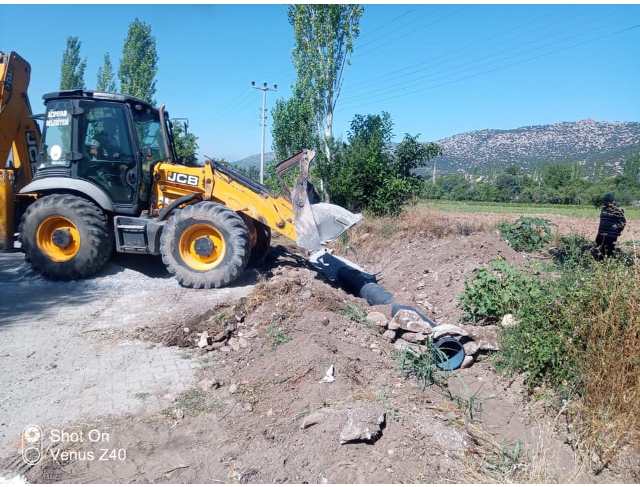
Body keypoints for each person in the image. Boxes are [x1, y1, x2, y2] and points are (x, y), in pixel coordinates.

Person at [595, 193, 626, 259]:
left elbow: (623, 222)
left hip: (610, 236)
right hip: (601, 235)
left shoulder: (618, 210)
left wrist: (617, 230)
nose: (605, 202)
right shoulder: (603, 209)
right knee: (599, 252)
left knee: (608, 253)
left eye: (607, 200)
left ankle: (608, 266)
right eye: (605, 200)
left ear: (612, 201)